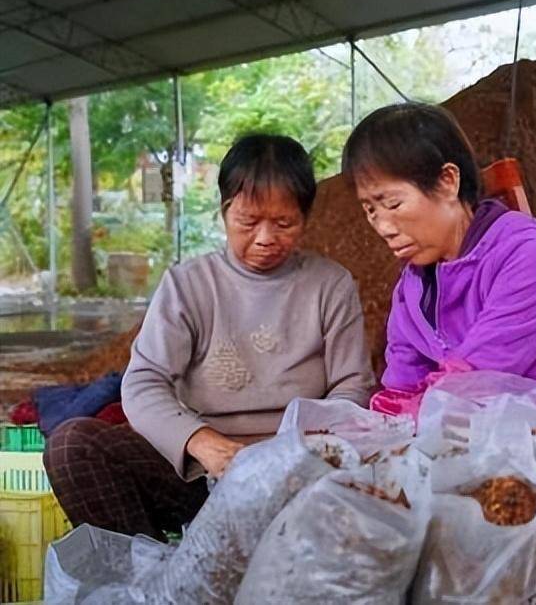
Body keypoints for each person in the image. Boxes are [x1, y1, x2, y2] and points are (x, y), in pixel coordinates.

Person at [43, 134, 374, 540]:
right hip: (204, 473)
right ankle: (154, 583)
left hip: (295, 474)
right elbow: (144, 382)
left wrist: (296, 453)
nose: (266, 238)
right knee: (73, 446)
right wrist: (203, 444)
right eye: (248, 221)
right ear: (224, 212)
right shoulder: (188, 285)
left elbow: (352, 386)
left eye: (284, 223)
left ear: (305, 218)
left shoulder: (330, 285)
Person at [342, 103, 536, 417]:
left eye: (392, 203)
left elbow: (477, 380)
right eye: (370, 210)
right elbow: (401, 388)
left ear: (448, 181)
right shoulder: (411, 289)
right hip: (487, 436)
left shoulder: (526, 253)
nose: (383, 227)